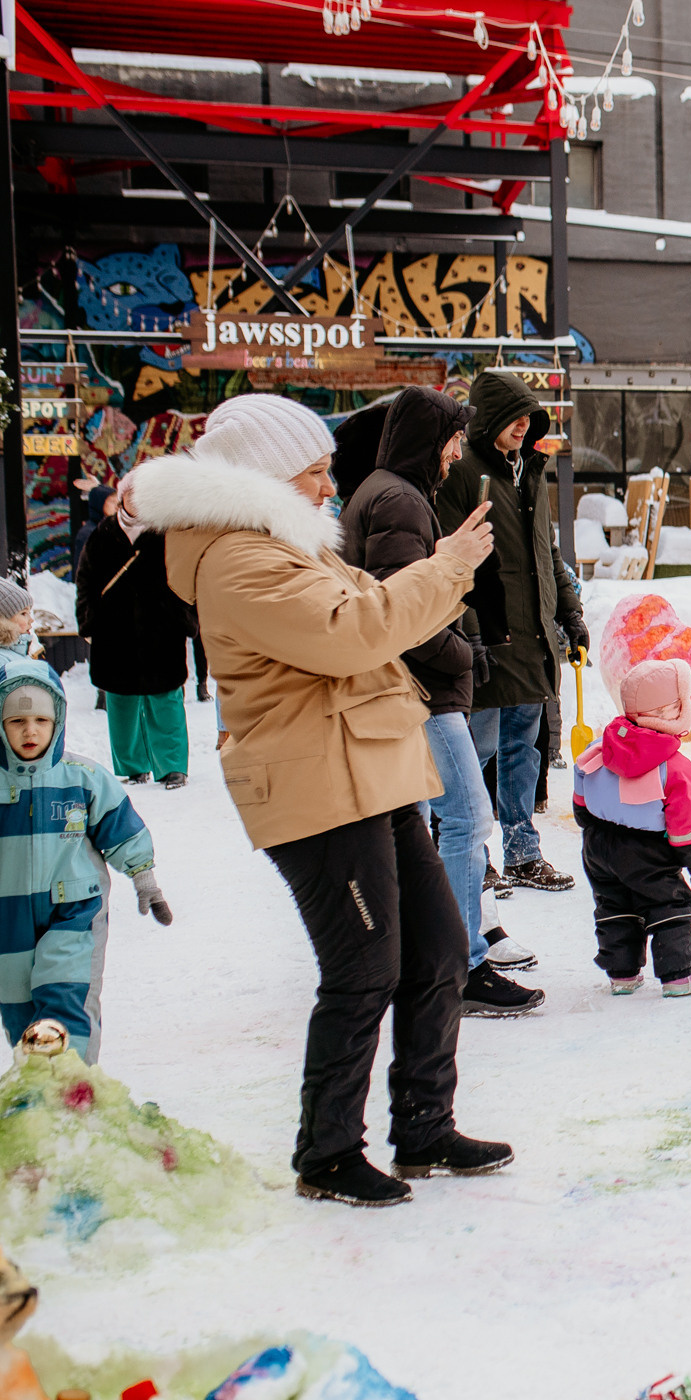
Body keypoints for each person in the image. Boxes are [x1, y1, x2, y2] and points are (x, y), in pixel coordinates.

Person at [131, 391, 512, 1209]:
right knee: (364, 969)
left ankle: (425, 1125)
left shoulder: (287, 543)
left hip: (367, 768)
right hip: (314, 785)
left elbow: (375, 620)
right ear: (262, 480)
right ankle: (328, 1152)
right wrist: (445, 566)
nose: (325, 489)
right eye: (311, 475)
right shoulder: (240, 559)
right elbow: (353, 631)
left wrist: (439, 577)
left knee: (440, 948)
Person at [335, 387, 543, 1017]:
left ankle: (466, 937)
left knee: (446, 819)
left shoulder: (392, 491)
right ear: (432, 438)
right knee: (463, 818)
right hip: (421, 689)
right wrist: (466, 657)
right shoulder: (398, 497)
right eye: (454, 438)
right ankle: (461, 961)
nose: (458, 452)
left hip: (417, 687)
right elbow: (406, 611)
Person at [433, 370, 585, 894]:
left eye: (529, 416)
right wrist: (471, 635)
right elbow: (454, 565)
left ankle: (522, 851)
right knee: (477, 749)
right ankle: (470, 850)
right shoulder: (461, 475)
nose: (524, 425)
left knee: (525, 749)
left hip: (534, 636)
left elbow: (549, 554)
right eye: (514, 416)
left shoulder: (531, 473)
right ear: (490, 419)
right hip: (490, 639)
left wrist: (570, 615)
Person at [0, 655, 169, 1066]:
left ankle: (73, 1090)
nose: (30, 731)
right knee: (20, 1012)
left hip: (74, 908)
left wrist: (144, 879)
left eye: (41, 720)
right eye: (17, 722)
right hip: (7, 915)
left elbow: (122, 829)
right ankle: (37, 1092)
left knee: (65, 998)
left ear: (57, 722)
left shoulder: (82, 777)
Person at [573, 659, 691, 998]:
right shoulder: (675, 766)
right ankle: (679, 974)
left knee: (614, 904)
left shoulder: (599, 748)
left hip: (599, 844)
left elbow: (580, 795)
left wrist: (591, 828)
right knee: (668, 904)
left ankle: (622, 974)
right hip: (648, 849)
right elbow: (684, 822)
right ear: (673, 712)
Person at [74, 476, 192, 790]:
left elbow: (183, 577)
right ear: (122, 497)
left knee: (165, 697)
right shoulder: (102, 534)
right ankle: (132, 765)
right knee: (121, 701)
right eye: (132, 495)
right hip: (114, 631)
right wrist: (87, 622)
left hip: (161, 628)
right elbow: (85, 581)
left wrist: (186, 619)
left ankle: (172, 767)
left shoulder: (166, 531)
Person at [0, 579, 36, 658]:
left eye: (29, 613)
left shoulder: (19, 653)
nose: (31, 620)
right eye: (23, 613)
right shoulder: (3, 660)